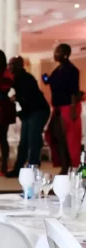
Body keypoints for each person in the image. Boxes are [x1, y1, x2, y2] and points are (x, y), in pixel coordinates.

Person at [6, 56, 50, 178]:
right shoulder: (18, 79)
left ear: (20, 65)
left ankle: (32, 168)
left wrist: (16, 99)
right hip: (30, 112)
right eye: (9, 64)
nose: (9, 66)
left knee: (32, 140)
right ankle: (19, 168)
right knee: (24, 141)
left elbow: (29, 98)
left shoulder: (25, 78)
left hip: (38, 110)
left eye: (12, 64)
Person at [43, 43, 82, 172]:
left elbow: (74, 91)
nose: (55, 54)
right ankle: (64, 165)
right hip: (58, 107)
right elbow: (51, 82)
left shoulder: (72, 70)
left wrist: (73, 109)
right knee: (56, 137)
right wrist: (46, 78)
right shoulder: (58, 70)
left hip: (68, 107)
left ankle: (71, 166)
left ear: (65, 55)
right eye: (55, 51)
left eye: (58, 52)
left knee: (68, 139)